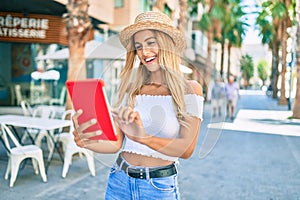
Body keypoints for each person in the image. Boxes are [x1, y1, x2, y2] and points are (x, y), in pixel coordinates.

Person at [72, 11, 204, 200]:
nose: (143, 52)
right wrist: (88, 141)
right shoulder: (131, 88)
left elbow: (186, 150)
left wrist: (144, 137)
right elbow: (116, 143)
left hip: (157, 188)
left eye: (151, 43)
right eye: (138, 46)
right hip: (119, 181)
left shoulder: (190, 90)